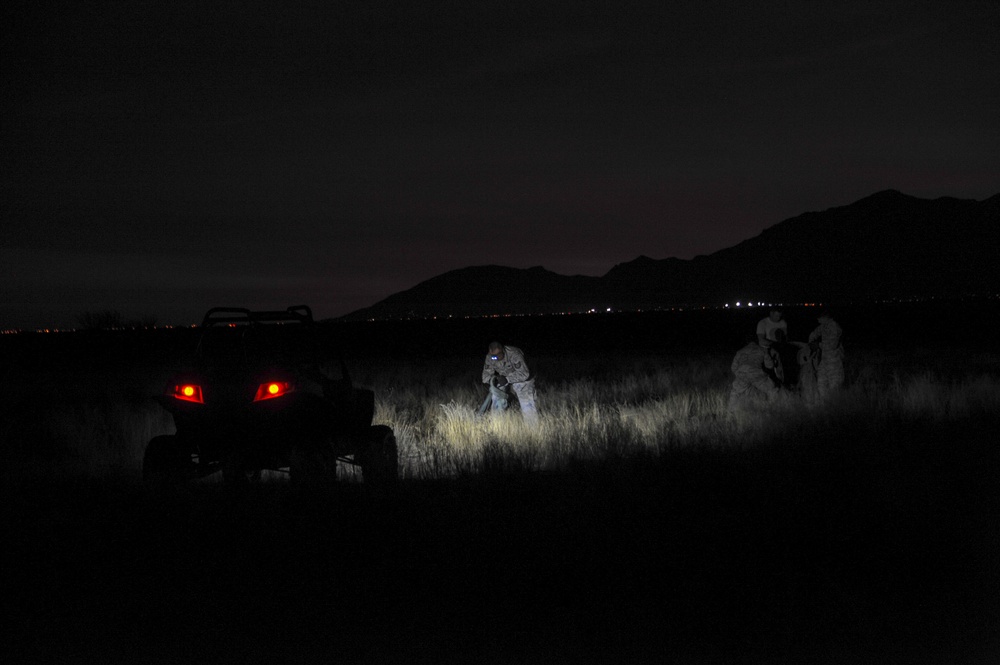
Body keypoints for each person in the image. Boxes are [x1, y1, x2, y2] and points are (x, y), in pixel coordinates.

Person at [481, 341, 538, 423]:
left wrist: (507, 379)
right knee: (496, 395)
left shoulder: (514, 353)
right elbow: (485, 376)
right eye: (493, 357)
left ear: (503, 351)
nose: (495, 359)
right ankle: (497, 425)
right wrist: (493, 380)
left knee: (526, 400)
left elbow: (524, 374)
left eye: (497, 356)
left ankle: (532, 428)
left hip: (522, 379)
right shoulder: (490, 357)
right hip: (504, 379)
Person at [728, 336, 780, 411]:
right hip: (757, 375)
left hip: (742, 375)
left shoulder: (740, 351)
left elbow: (733, 368)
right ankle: (771, 410)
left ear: (746, 342)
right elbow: (770, 366)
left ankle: (730, 412)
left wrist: (740, 374)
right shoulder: (762, 350)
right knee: (772, 390)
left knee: (735, 392)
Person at [808, 310, 844, 399]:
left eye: (819, 318)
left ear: (825, 317)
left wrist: (818, 345)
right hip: (824, 361)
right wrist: (811, 341)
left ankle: (832, 407)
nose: (817, 320)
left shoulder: (834, 327)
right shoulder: (824, 326)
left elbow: (832, 345)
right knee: (821, 384)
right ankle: (824, 406)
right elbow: (814, 334)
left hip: (833, 362)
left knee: (834, 388)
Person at [756, 308, 788, 375]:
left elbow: (785, 337)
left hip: (780, 346)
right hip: (767, 347)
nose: (778, 318)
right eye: (776, 316)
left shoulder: (783, 323)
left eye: (780, 316)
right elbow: (761, 339)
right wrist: (772, 344)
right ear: (771, 313)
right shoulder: (763, 323)